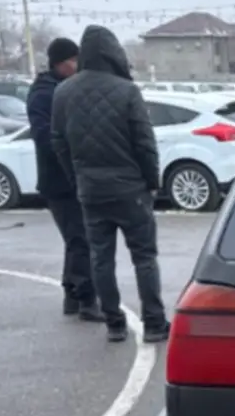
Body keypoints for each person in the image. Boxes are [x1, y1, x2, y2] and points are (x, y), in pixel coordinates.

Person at [50, 25, 170, 344]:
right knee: (144, 257)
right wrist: (152, 181)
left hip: (90, 190)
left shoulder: (63, 93)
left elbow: (58, 142)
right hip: (131, 189)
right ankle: (154, 322)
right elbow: (144, 143)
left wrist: (77, 177)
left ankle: (114, 323)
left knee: (101, 258)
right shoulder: (127, 91)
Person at [26, 37, 104, 322]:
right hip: (59, 181)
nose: (78, 65)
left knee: (76, 240)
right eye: (73, 60)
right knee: (81, 240)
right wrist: (73, 147)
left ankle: (72, 295)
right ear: (60, 63)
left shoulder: (64, 88)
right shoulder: (44, 94)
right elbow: (45, 136)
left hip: (72, 177)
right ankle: (86, 300)